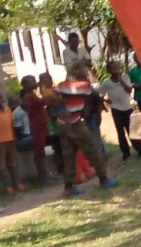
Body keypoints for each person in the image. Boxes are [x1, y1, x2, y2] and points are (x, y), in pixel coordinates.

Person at [48, 67, 119, 195]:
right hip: (75, 122)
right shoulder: (84, 86)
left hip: (62, 123)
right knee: (93, 149)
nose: (88, 75)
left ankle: (69, 187)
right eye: (86, 73)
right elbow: (93, 95)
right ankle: (104, 179)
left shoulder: (62, 85)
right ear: (79, 73)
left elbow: (50, 97)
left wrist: (63, 102)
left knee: (68, 155)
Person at [99, 60, 141, 160]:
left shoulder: (125, 77)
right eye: (113, 69)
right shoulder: (106, 83)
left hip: (127, 108)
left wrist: (121, 81)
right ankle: (126, 153)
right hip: (116, 109)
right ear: (109, 71)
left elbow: (129, 90)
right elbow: (99, 94)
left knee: (132, 130)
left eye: (117, 68)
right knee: (120, 132)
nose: (116, 71)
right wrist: (105, 100)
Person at [0, 90, 26, 194]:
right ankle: (7, 186)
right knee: (1, 165)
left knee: (12, 163)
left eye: (0, 97)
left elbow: (11, 125)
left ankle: (17, 183)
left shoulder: (8, 110)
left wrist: (14, 137)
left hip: (10, 139)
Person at [19, 75, 52, 185]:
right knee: (39, 152)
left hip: (41, 125)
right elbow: (27, 105)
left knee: (42, 150)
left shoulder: (32, 95)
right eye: (32, 81)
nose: (35, 82)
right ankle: (44, 178)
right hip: (38, 126)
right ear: (25, 85)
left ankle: (46, 175)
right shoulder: (28, 96)